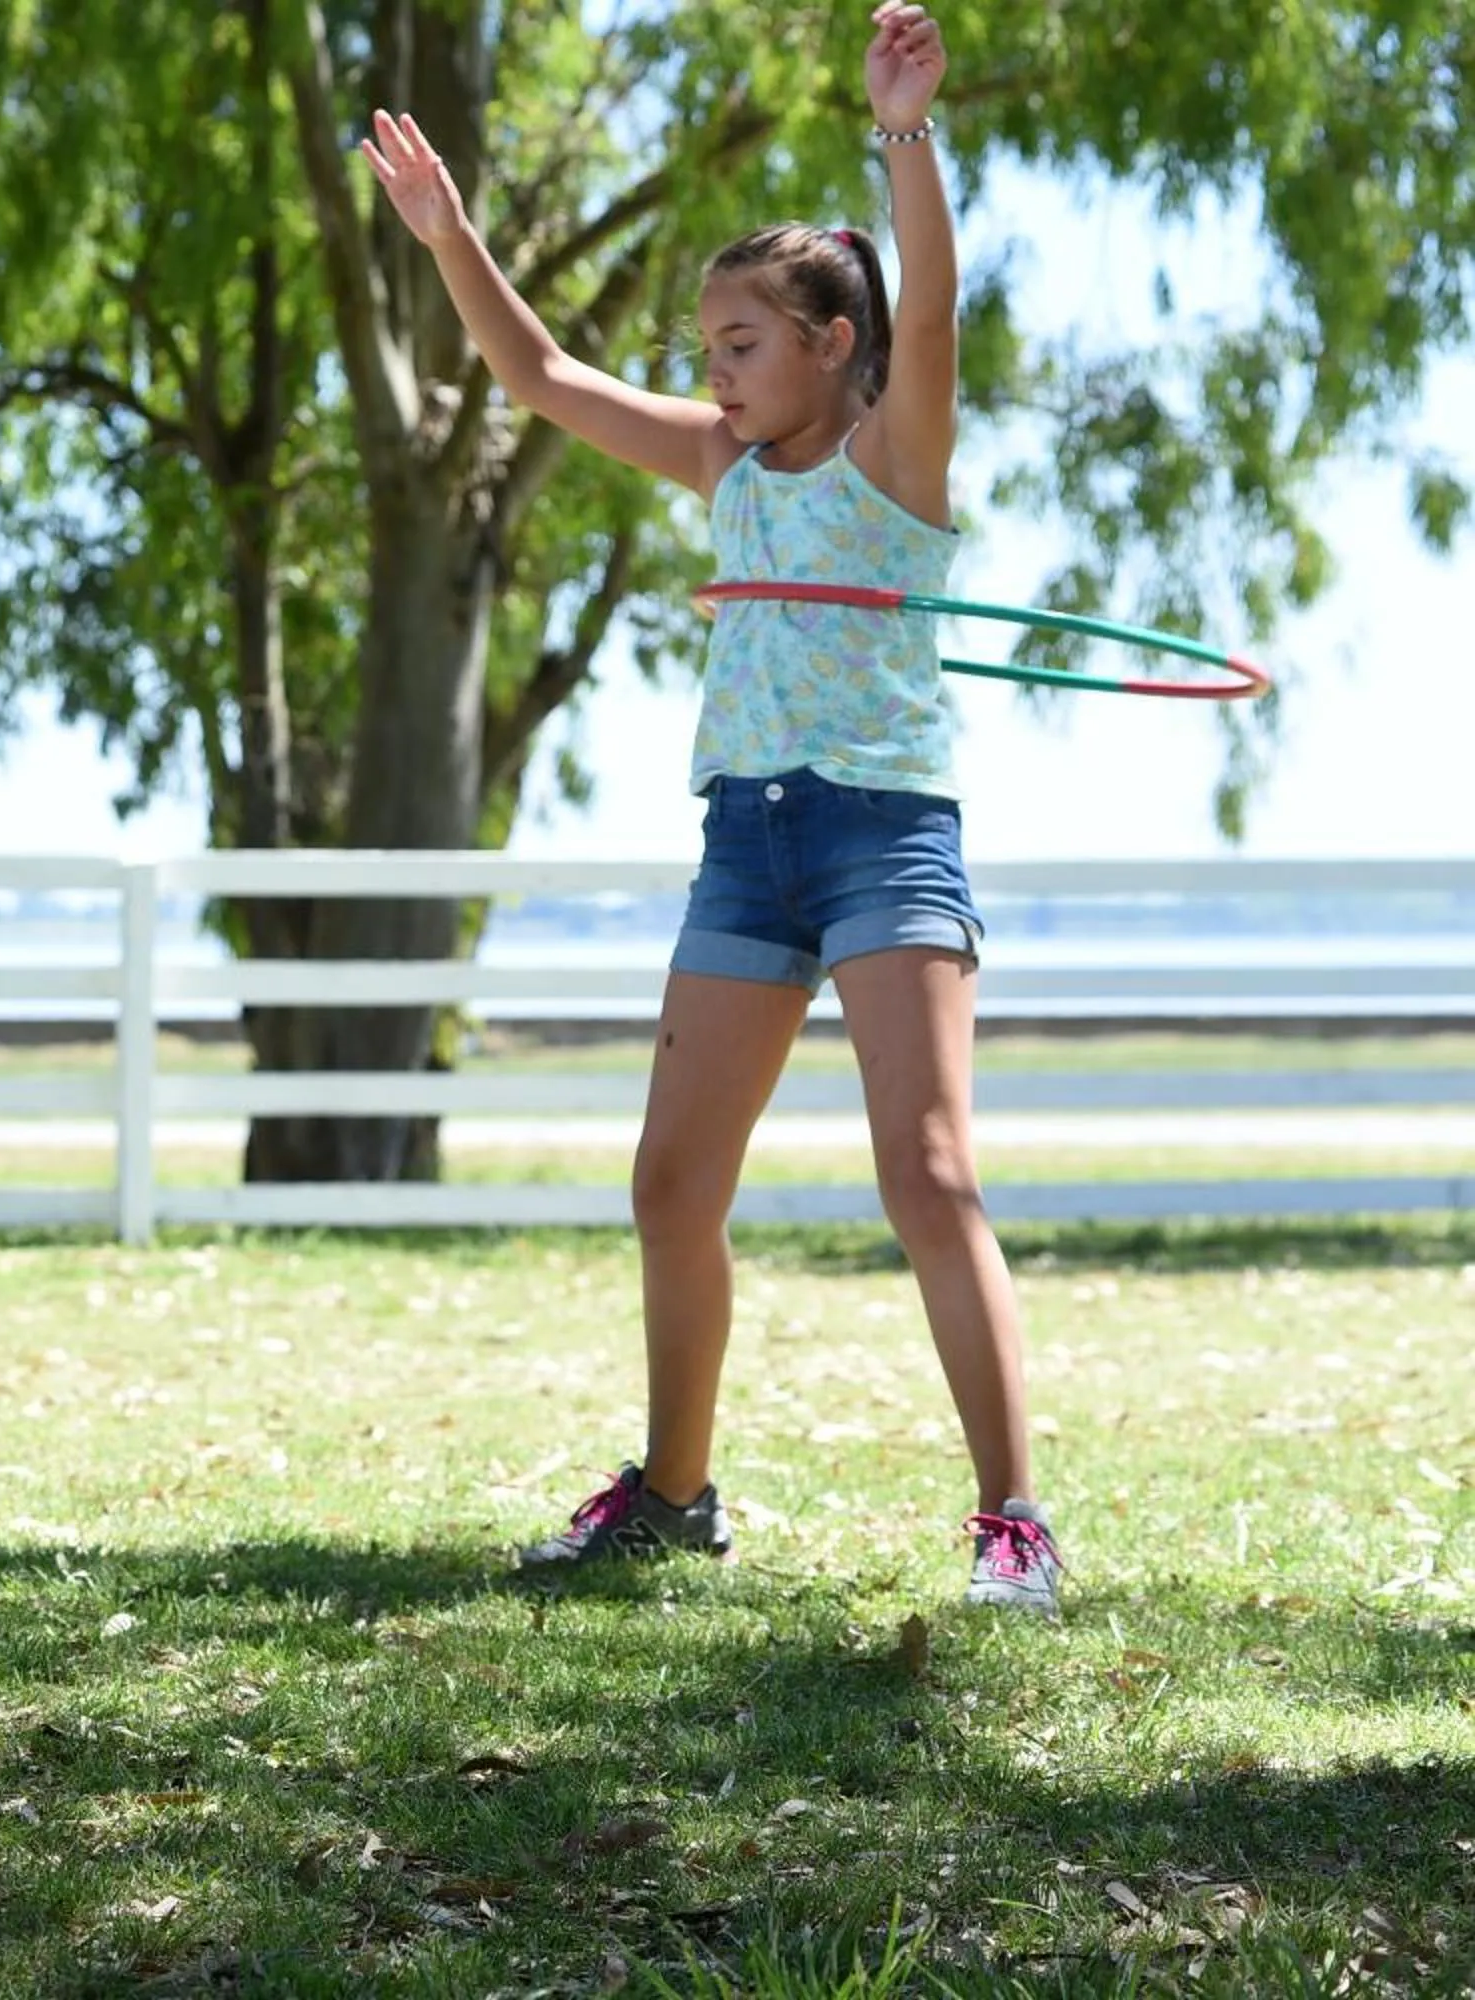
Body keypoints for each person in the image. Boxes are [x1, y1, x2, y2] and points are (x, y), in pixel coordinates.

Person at [364, 5, 1060, 1613]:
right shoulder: (724, 470)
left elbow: (934, 305)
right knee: (671, 1187)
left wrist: (904, 133)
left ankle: (1012, 1518)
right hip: (743, 843)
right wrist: (449, 232)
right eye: (704, 355)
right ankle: (675, 1497)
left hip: (885, 828)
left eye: (740, 345)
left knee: (930, 1173)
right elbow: (533, 374)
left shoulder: (897, 457)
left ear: (831, 340)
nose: (715, 377)